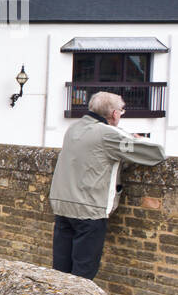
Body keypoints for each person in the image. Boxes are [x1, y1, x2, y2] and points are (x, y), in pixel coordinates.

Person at [50, 91, 166, 280]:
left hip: (63, 207)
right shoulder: (107, 133)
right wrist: (138, 139)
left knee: (60, 273)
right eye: (121, 110)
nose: (121, 114)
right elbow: (156, 154)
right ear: (114, 113)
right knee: (82, 275)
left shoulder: (73, 128)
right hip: (89, 211)